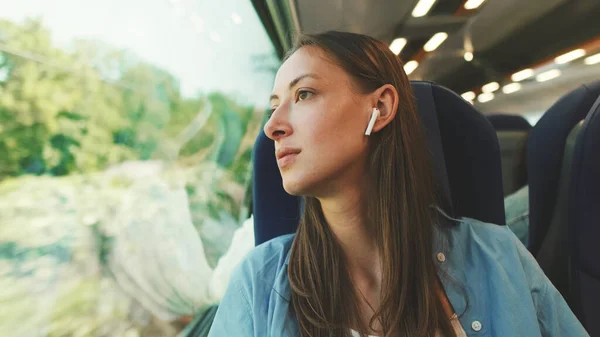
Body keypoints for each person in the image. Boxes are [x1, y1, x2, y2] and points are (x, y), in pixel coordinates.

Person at [207, 31, 588, 337]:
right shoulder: (257, 283)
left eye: (303, 94)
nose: (272, 126)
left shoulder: (498, 257)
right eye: (274, 106)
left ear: (381, 108)